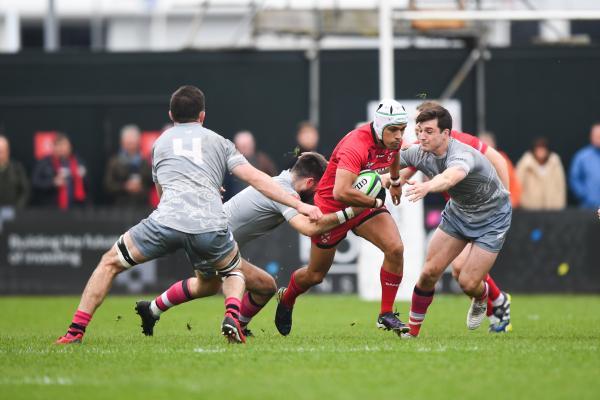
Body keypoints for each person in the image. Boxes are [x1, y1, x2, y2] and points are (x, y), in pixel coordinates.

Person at [55, 85, 322, 345]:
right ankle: (231, 316)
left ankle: (75, 331)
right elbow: (259, 179)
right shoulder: (219, 142)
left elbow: (161, 193)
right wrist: (301, 206)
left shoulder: (159, 144)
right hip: (209, 225)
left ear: (171, 115)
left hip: (167, 221)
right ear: (203, 115)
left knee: (110, 262)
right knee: (233, 270)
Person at [135, 152, 366, 337]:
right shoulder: (283, 191)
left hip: (204, 235)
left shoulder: (281, 180)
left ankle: (152, 309)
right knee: (265, 286)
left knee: (206, 286)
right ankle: (237, 324)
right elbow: (309, 229)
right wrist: (350, 212)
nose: (318, 195)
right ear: (309, 182)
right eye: (318, 188)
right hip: (213, 240)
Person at [275, 99, 409, 337]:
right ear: (379, 128)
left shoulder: (392, 139)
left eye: (402, 129)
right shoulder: (355, 145)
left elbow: (394, 155)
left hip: (362, 203)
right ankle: (288, 298)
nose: (399, 136)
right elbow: (341, 192)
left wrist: (396, 181)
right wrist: (376, 201)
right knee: (315, 276)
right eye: (394, 130)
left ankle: (385, 314)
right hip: (332, 210)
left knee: (395, 248)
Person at [391, 102, 513, 333]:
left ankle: (485, 299)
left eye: (428, 131)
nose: (421, 136)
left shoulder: (463, 150)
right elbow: (394, 159)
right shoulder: (421, 149)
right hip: (459, 212)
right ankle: (412, 333)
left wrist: (505, 197)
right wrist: (386, 180)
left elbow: (448, 178)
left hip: (492, 218)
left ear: (445, 132)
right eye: (418, 130)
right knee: (429, 272)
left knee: (466, 280)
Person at [31, 133, 88, 209]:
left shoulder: (79, 162)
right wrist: (53, 183)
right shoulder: (44, 163)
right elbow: (35, 183)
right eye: (59, 145)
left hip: (75, 208)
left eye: (64, 145)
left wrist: (82, 177)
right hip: (51, 209)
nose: (62, 148)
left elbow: (89, 187)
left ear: (70, 147)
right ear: (53, 147)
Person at [104, 124, 153, 208]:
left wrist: (141, 187)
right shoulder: (114, 162)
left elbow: (152, 181)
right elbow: (108, 184)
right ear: (122, 143)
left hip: (143, 207)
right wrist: (125, 187)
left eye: (133, 143)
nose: (130, 146)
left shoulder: (146, 161)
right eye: (128, 143)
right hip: (121, 207)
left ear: (138, 142)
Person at [224, 130, 279, 199]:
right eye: (242, 146)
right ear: (236, 146)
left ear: (253, 144)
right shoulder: (228, 165)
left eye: (247, 145)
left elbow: (273, 181)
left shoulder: (263, 161)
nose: (245, 149)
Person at [516, 137, 566, 210]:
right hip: (530, 208)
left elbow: (561, 185)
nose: (541, 152)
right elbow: (518, 182)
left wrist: (560, 204)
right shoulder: (526, 163)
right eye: (538, 149)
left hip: (552, 208)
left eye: (543, 149)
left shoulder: (555, 162)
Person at [478, 131, 521, 208]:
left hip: (501, 208)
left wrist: (511, 202)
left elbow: (514, 185)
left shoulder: (502, 160)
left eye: (488, 146)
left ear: (493, 145)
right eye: (483, 146)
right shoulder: (472, 162)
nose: (485, 150)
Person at [569, 123, 600, 209]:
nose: (598, 137)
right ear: (591, 136)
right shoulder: (582, 157)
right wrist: (585, 196)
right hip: (588, 208)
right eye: (596, 135)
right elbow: (574, 179)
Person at [0, 135, 30, 208]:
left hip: (13, 212)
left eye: (1, 152)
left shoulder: (17, 168)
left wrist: (18, 208)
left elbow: (25, 190)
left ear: (7, 151)